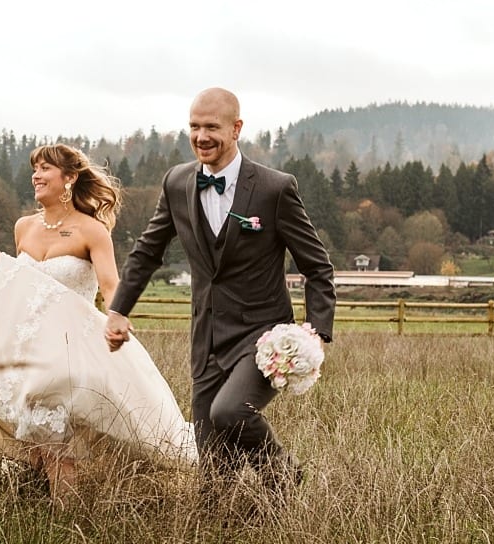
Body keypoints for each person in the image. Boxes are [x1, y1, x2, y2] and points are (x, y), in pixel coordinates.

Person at [0, 143, 196, 503]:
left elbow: (110, 285)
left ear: (69, 178)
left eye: (45, 169)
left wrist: (118, 316)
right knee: (35, 438)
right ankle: (39, 499)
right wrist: (1, 268)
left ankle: (65, 518)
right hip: (24, 349)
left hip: (69, 348)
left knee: (57, 441)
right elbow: (22, 289)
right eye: (34, 169)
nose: (36, 176)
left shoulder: (92, 231)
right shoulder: (23, 227)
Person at [105, 87, 335, 501]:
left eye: (211, 127)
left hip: (263, 337)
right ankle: (231, 526)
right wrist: (119, 309)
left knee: (230, 411)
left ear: (236, 128)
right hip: (206, 339)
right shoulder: (177, 182)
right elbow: (147, 251)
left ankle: (284, 477)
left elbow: (317, 266)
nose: (201, 136)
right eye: (194, 127)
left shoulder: (274, 188)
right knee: (215, 477)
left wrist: (315, 332)